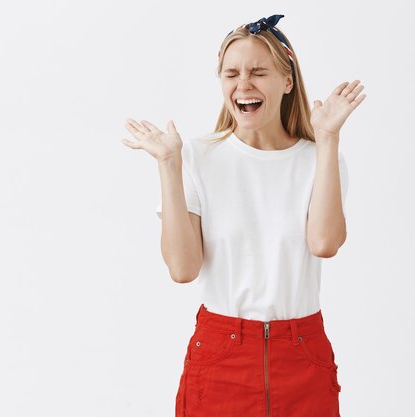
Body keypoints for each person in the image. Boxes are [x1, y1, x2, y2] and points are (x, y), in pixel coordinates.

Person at [121, 14, 365, 417]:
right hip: (221, 355)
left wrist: (328, 138)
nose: (243, 84)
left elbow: (324, 244)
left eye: (258, 72)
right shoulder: (195, 157)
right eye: (231, 73)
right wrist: (168, 163)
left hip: (302, 353)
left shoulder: (320, 157)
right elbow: (183, 269)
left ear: (287, 81)